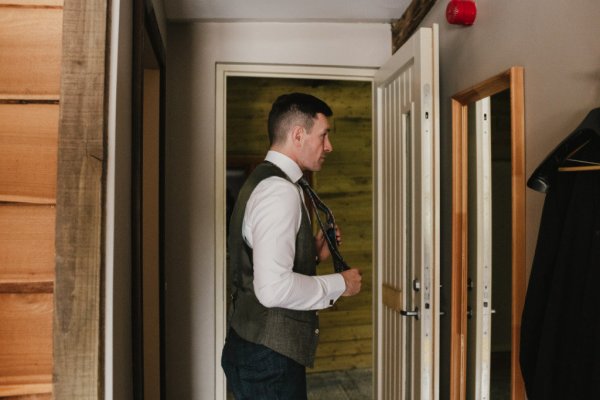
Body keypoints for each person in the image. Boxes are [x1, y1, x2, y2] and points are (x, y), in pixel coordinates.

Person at [221, 92, 362, 399]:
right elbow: (272, 289)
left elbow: (261, 255)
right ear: (299, 135)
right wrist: (341, 283)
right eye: (323, 135)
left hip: (255, 348)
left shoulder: (265, 180)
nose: (329, 146)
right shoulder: (279, 191)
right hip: (269, 357)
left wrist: (311, 252)